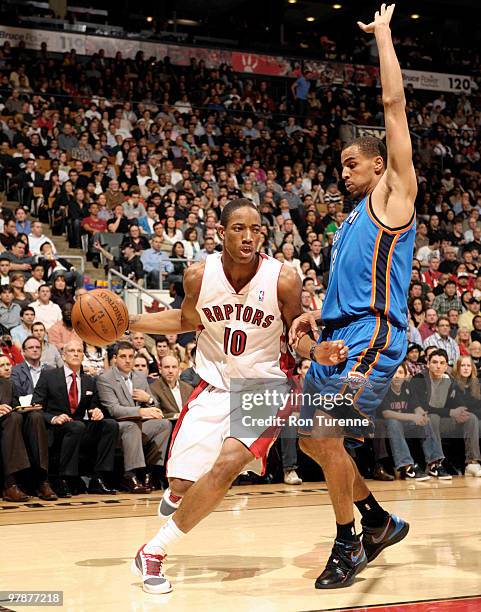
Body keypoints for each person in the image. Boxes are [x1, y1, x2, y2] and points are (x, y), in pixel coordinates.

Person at [128, 198, 345, 593]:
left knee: (226, 465)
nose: (248, 237)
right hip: (213, 384)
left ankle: (154, 550)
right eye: (239, 229)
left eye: (255, 230)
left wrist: (315, 352)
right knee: (179, 482)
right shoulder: (198, 275)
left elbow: (297, 333)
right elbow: (185, 320)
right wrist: (130, 322)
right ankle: (180, 494)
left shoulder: (284, 278)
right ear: (220, 233)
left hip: (266, 386)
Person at [289, 5, 416, 589]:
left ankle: (349, 543)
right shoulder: (345, 226)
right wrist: (313, 317)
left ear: (378, 164)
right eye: (340, 165)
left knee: (323, 435)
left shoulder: (394, 197)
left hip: (373, 334)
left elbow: (393, 107)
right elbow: (342, 290)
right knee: (313, 441)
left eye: (351, 163)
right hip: (336, 340)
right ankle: (376, 518)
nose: (343, 172)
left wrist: (383, 37)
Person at [32, 341, 119, 498]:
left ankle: (98, 478)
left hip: (78, 426)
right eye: (71, 351)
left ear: (83, 356)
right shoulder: (49, 376)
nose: (76, 353)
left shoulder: (89, 380)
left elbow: (93, 405)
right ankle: (63, 479)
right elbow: (35, 406)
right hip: (55, 427)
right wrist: (53, 418)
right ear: (64, 356)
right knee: (77, 426)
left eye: (79, 351)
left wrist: (97, 411)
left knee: (110, 425)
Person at [97, 341, 173, 494]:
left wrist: (149, 401)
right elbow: (114, 410)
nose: (127, 360)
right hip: (118, 427)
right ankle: (129, 476)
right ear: (114, 359)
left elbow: (154, 405)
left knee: (164, 424)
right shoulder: (105, 379)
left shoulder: (139, 377)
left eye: (131, 356)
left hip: (138, 424)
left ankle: (148, 472)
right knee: (131, 427)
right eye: (123, 356)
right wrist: (141, 412)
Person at [0, 353, 57, 502]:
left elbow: (15, 407)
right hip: (6, 424)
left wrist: (28, 409)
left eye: (8, 365)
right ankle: (9, 483)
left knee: (36, 417)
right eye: (2, 366)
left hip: (12, 422)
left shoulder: (9, 384)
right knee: (13, 418)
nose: (7, 368)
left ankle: (41, 480)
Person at [382, 363, 445, 480]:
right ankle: (407, 466)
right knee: (393, 422)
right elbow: (387, 413)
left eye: (400, 373)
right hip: (388, 426)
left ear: (406, 375)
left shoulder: (408, 386)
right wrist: (413, 417)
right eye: (394, 373)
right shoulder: (385, 389)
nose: (396, 376)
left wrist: (422, 415)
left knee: (427, 420)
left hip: (406, 424)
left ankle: (434, 464)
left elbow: (416, 407)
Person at [448, 356, 481, 477]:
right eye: (463, 365)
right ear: (458, 367)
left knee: (474, 418)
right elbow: (460, 406)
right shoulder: (453, 384)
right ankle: (472, 462)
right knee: (470, 417)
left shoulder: (477, 384)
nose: (466, 368)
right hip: (454, 419)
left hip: (473, 417)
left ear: (472, 368)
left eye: (468, 365)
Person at [149, 355, 194, 419]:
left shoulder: (188, 388)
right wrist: (175, 416)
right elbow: (157, 413)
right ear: (160, 369)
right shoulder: (154, 388)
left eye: (174, 367)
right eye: (167, 367)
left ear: (179, 369)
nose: (170, 371)